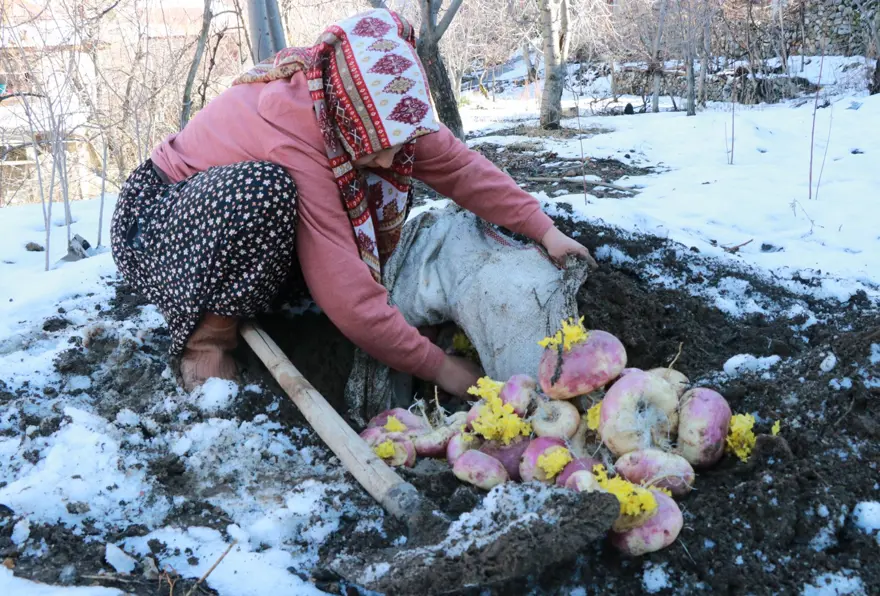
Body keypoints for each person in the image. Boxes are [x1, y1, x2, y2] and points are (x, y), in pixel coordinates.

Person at [110, 8, 593, 397]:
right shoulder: (295, 133)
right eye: (375, 144)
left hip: (228, 231)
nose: (390, 157)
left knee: (303, 212)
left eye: (398, 142)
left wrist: (544, 230)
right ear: (343, 114)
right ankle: (206, 340)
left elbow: (462, 169)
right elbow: (349, 299)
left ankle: (263, 292)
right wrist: (441, 368)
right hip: (159, 228)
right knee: (265, 193)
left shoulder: (389, 104)